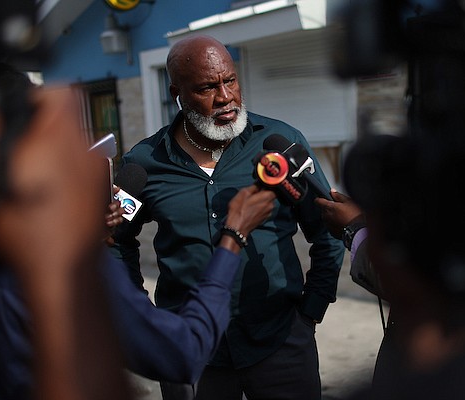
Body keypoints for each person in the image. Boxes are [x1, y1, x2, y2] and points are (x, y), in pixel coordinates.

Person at [0, 44, 278, 400]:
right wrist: (233, 237)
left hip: (274, 338)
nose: (223, 97)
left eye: (230, 81)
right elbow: (181, 352)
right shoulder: (68, 268)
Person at [112, 34, 345, 400]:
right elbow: (115, 242)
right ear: (178, 92)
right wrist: (144, 317)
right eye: (207, 87)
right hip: (191, 352)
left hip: (281, 341)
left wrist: (312, 308)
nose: (225, 98)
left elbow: (328, 225)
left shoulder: (279, 142)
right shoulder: (143, 164)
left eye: (230, 81)